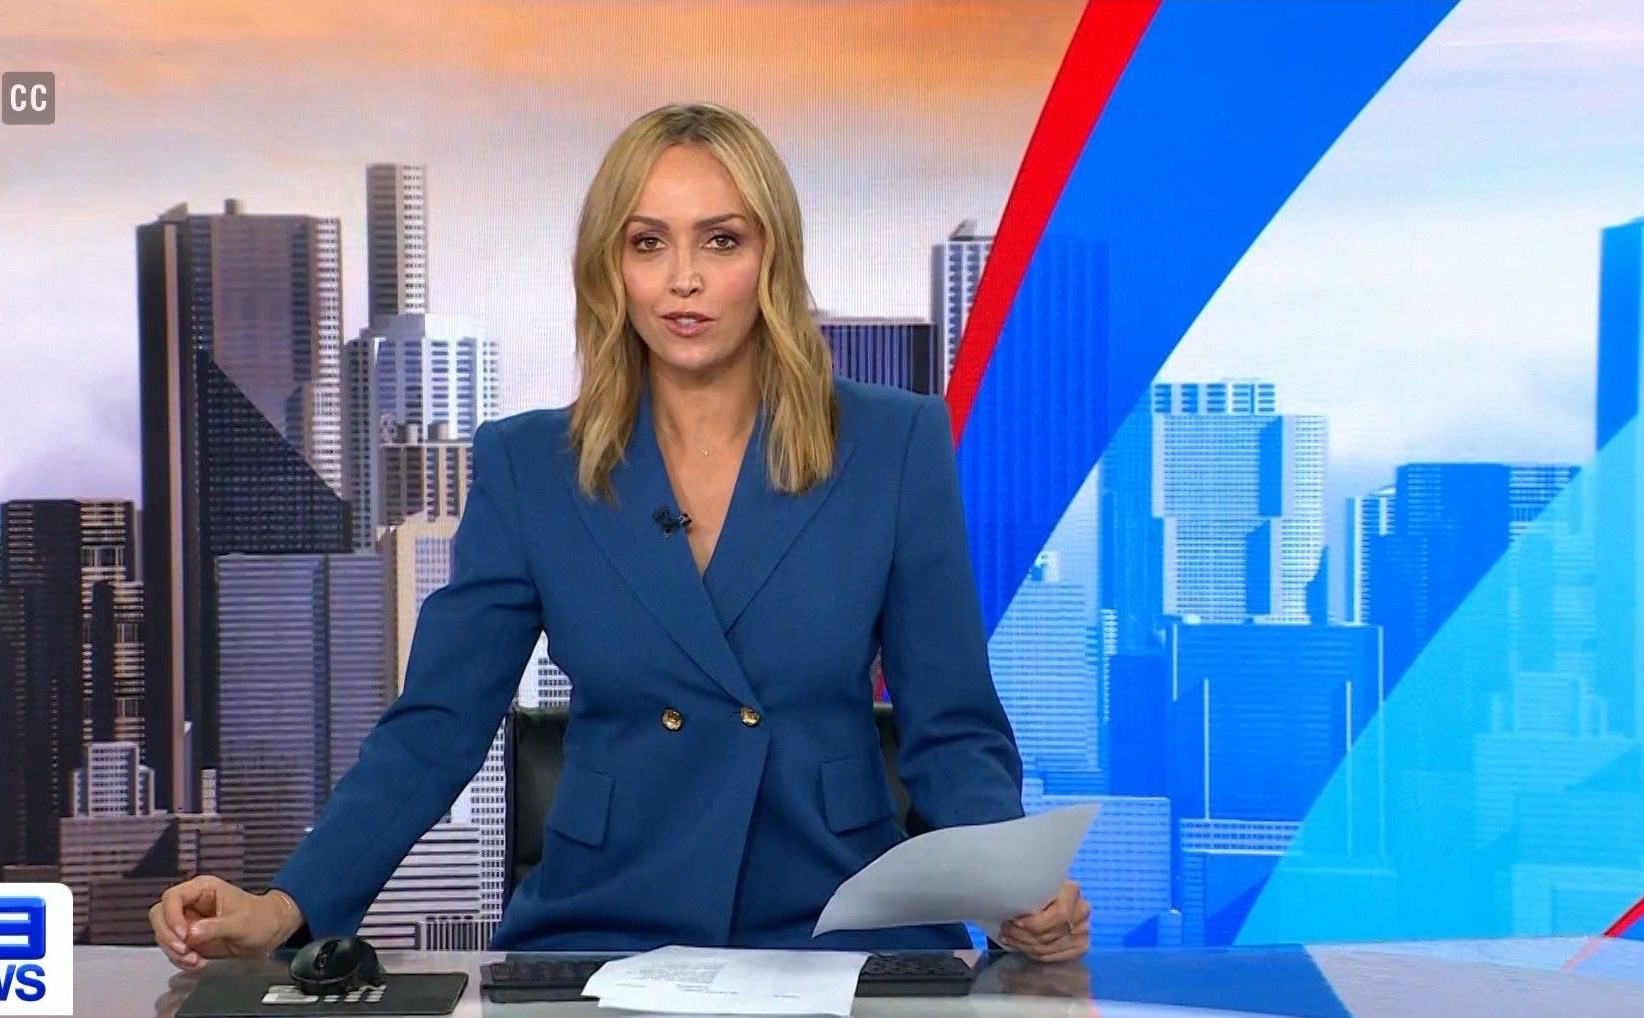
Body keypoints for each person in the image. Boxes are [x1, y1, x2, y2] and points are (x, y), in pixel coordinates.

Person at [150, 101, 1090, 970]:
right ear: (612, 269)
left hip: (838, 921)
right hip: (609, 926)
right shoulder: (530, 466)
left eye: (721, 240)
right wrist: (290, 903)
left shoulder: (894, 443)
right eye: (648, 243)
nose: (684, 279)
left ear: (772, 258)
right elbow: (438, 724)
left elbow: (952, 726)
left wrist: (1011, 890)